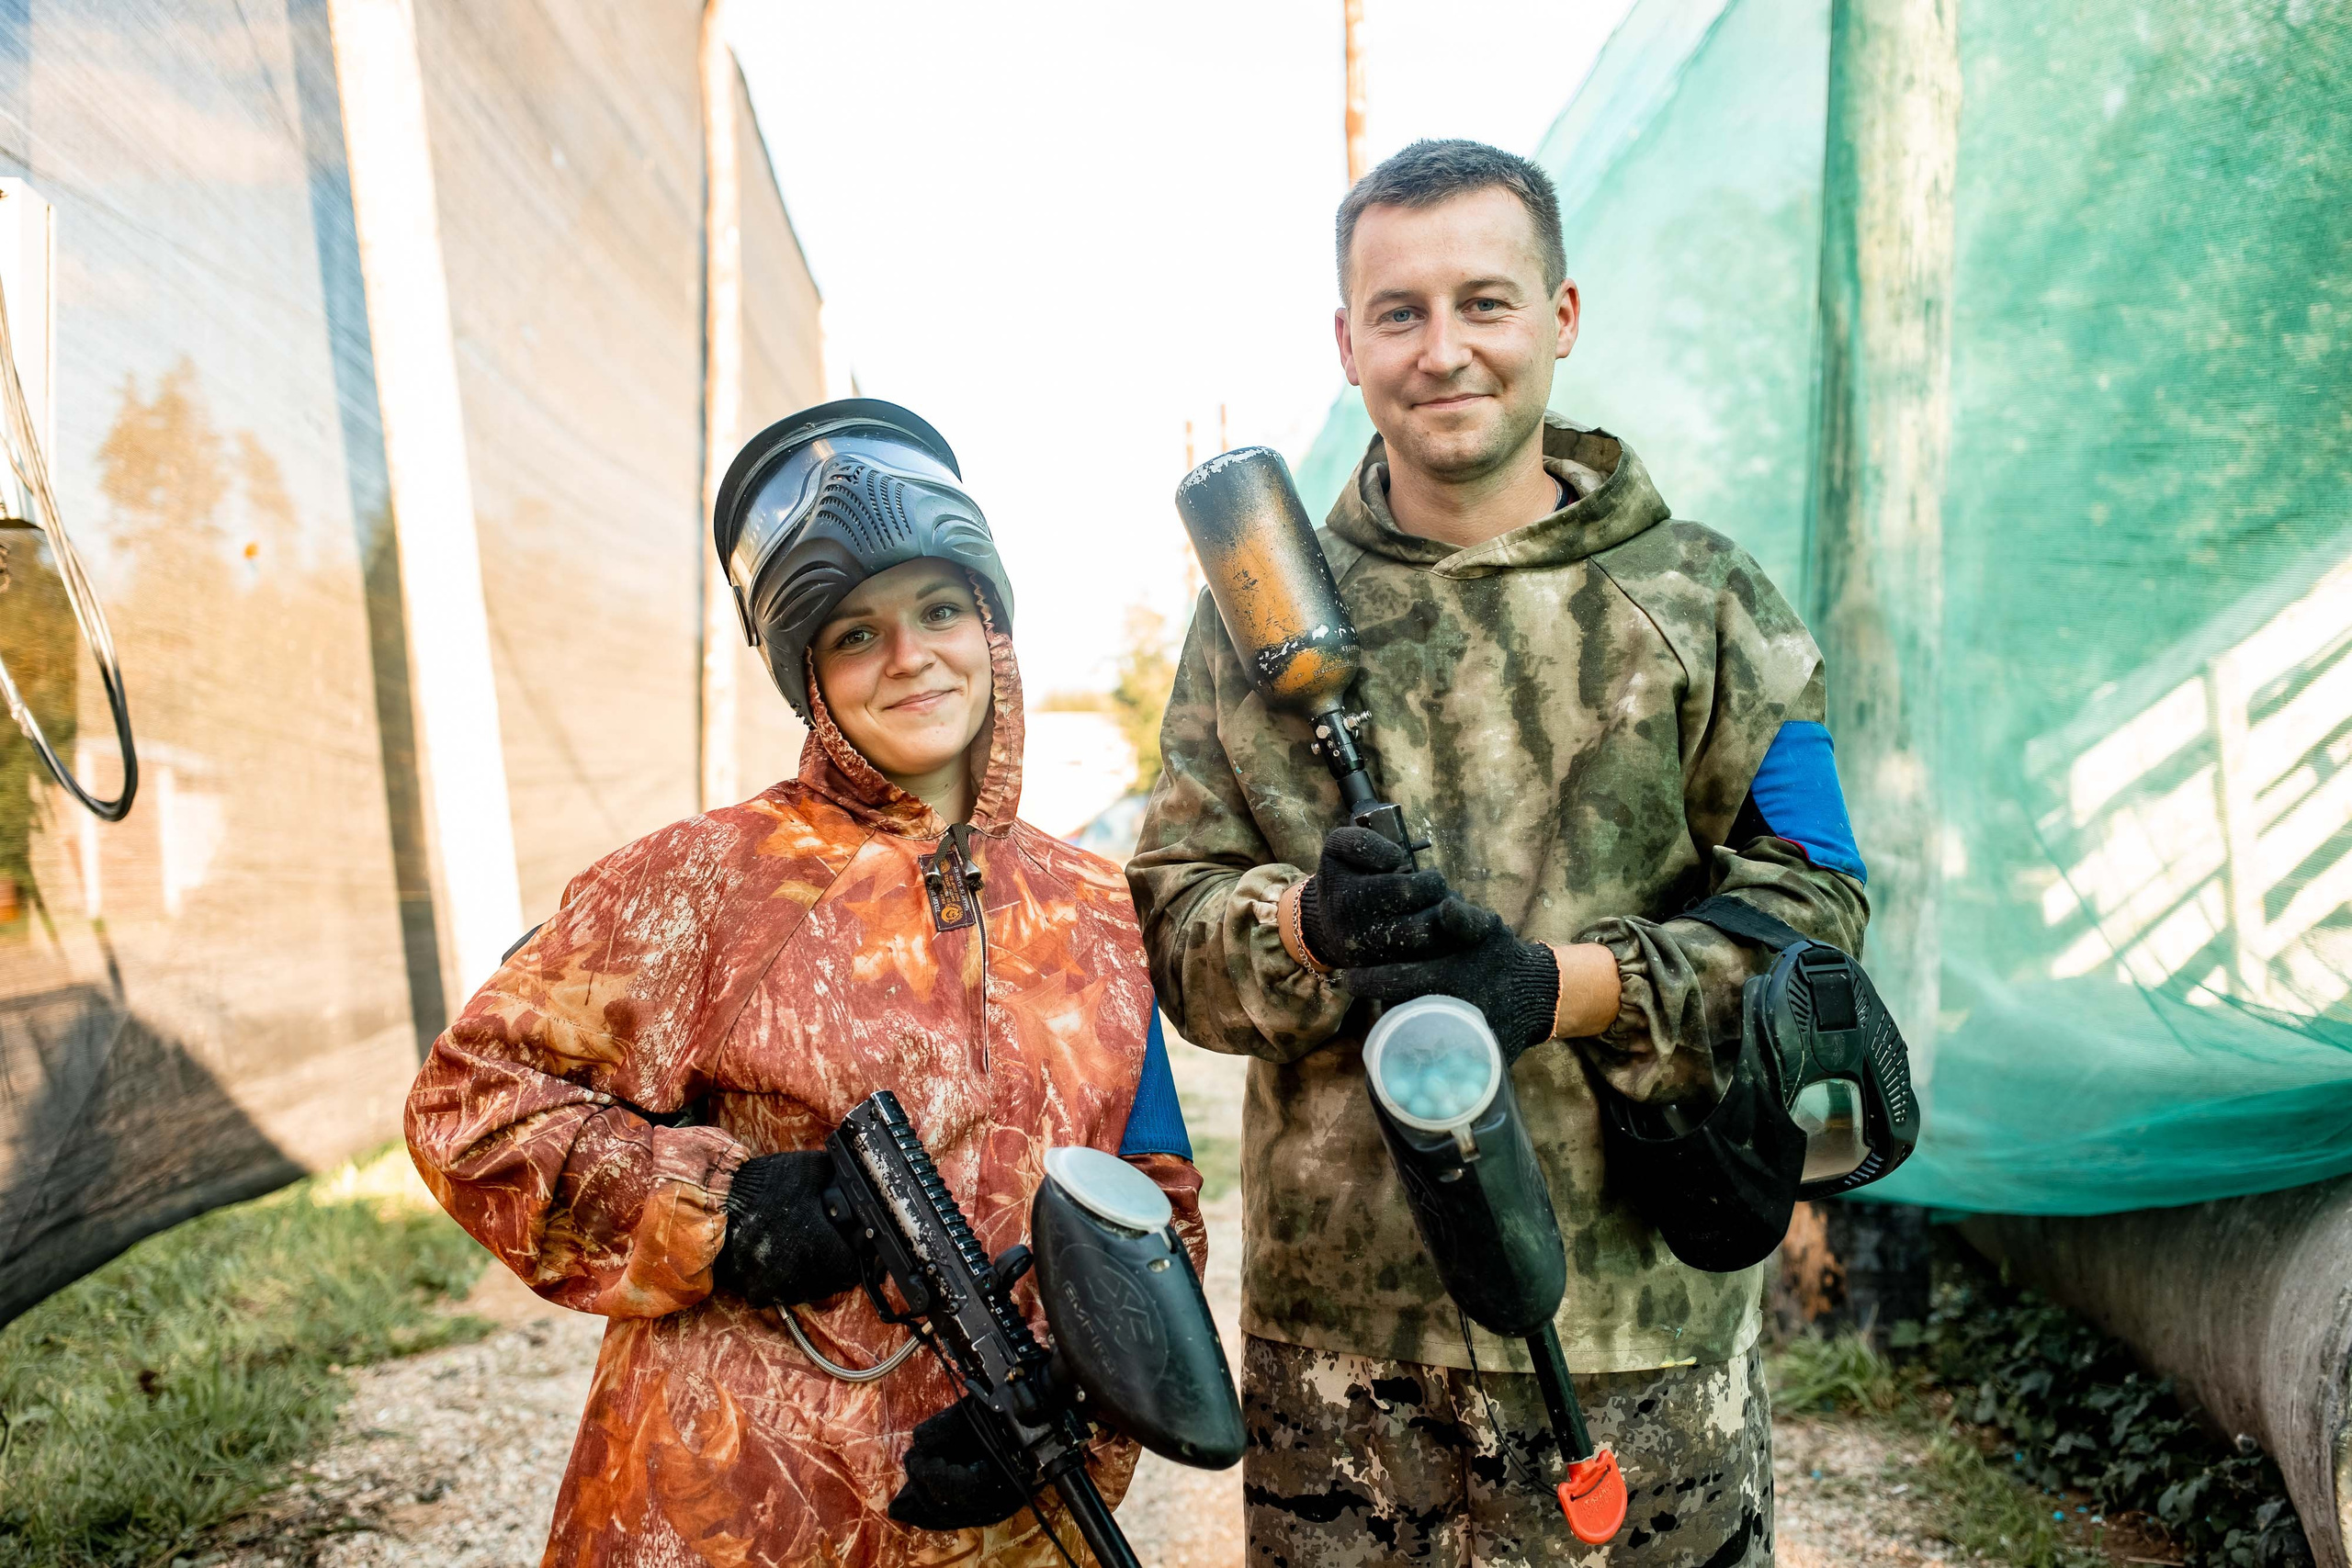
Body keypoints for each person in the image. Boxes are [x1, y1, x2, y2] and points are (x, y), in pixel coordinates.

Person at [1128, 140, 1869, 1566]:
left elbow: (1820, 912)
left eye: (1487, 301)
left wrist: (1559, 982)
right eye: (1399, 313)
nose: (1444, 349)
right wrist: (1303, 931)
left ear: (1562, 317)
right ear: (1347, 344)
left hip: (1635, 1335)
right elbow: (1171, 926)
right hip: (1343, 1356)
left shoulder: (1704, 601)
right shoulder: (1256, 626)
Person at [406, 399, 1204, 1568]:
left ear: (993, 627)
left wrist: (1079, 1411)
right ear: (810, 680)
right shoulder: (710, 880)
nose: (910, 658)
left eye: (940, 609)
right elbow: (468, 1107)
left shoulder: (1091, 907)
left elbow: (1152, 1203)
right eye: (853, 634)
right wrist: (724, 1217)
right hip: (729, 1502)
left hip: (1006, 1516)